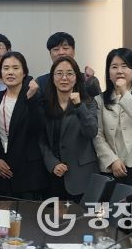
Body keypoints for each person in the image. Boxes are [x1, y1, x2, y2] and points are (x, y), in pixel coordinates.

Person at [93, 48, 132, 204]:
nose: (119, 71)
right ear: (108, 73)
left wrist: (123, 91)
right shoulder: (99, 99)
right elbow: (97, 134)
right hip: (113, 168)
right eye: (114, 67)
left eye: (125, 66)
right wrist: (112, 160)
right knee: (115, 215)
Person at [0, 51, 48, 199]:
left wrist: (31, 100)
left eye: (15, 68)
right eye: (6, 68)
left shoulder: (34, 96)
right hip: (1, 174)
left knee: (28, 213)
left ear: (24, 72)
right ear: (1, 73)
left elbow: (40, 128)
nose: (10, 72)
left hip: (28, 174)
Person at [39, 56, 98, 202]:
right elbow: (41, 140)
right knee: (53, 216)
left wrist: (78, 105)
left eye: (70, 73)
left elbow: (91, 131)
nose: (64, 78)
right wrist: (52, 163)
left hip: (81, 176)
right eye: (59, 73)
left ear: (77, 78)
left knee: (83, 216)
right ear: (53, 78)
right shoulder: (45, 105)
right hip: (54, 175)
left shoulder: (88, 102)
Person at [35, 32, 101, 98]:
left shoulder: (88, 80)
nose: (61, 52)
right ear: (50, 54)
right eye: (56, 49)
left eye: (65, 48)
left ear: (74, 51)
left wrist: (89, 83)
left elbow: (97, 103)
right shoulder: (41, 82)